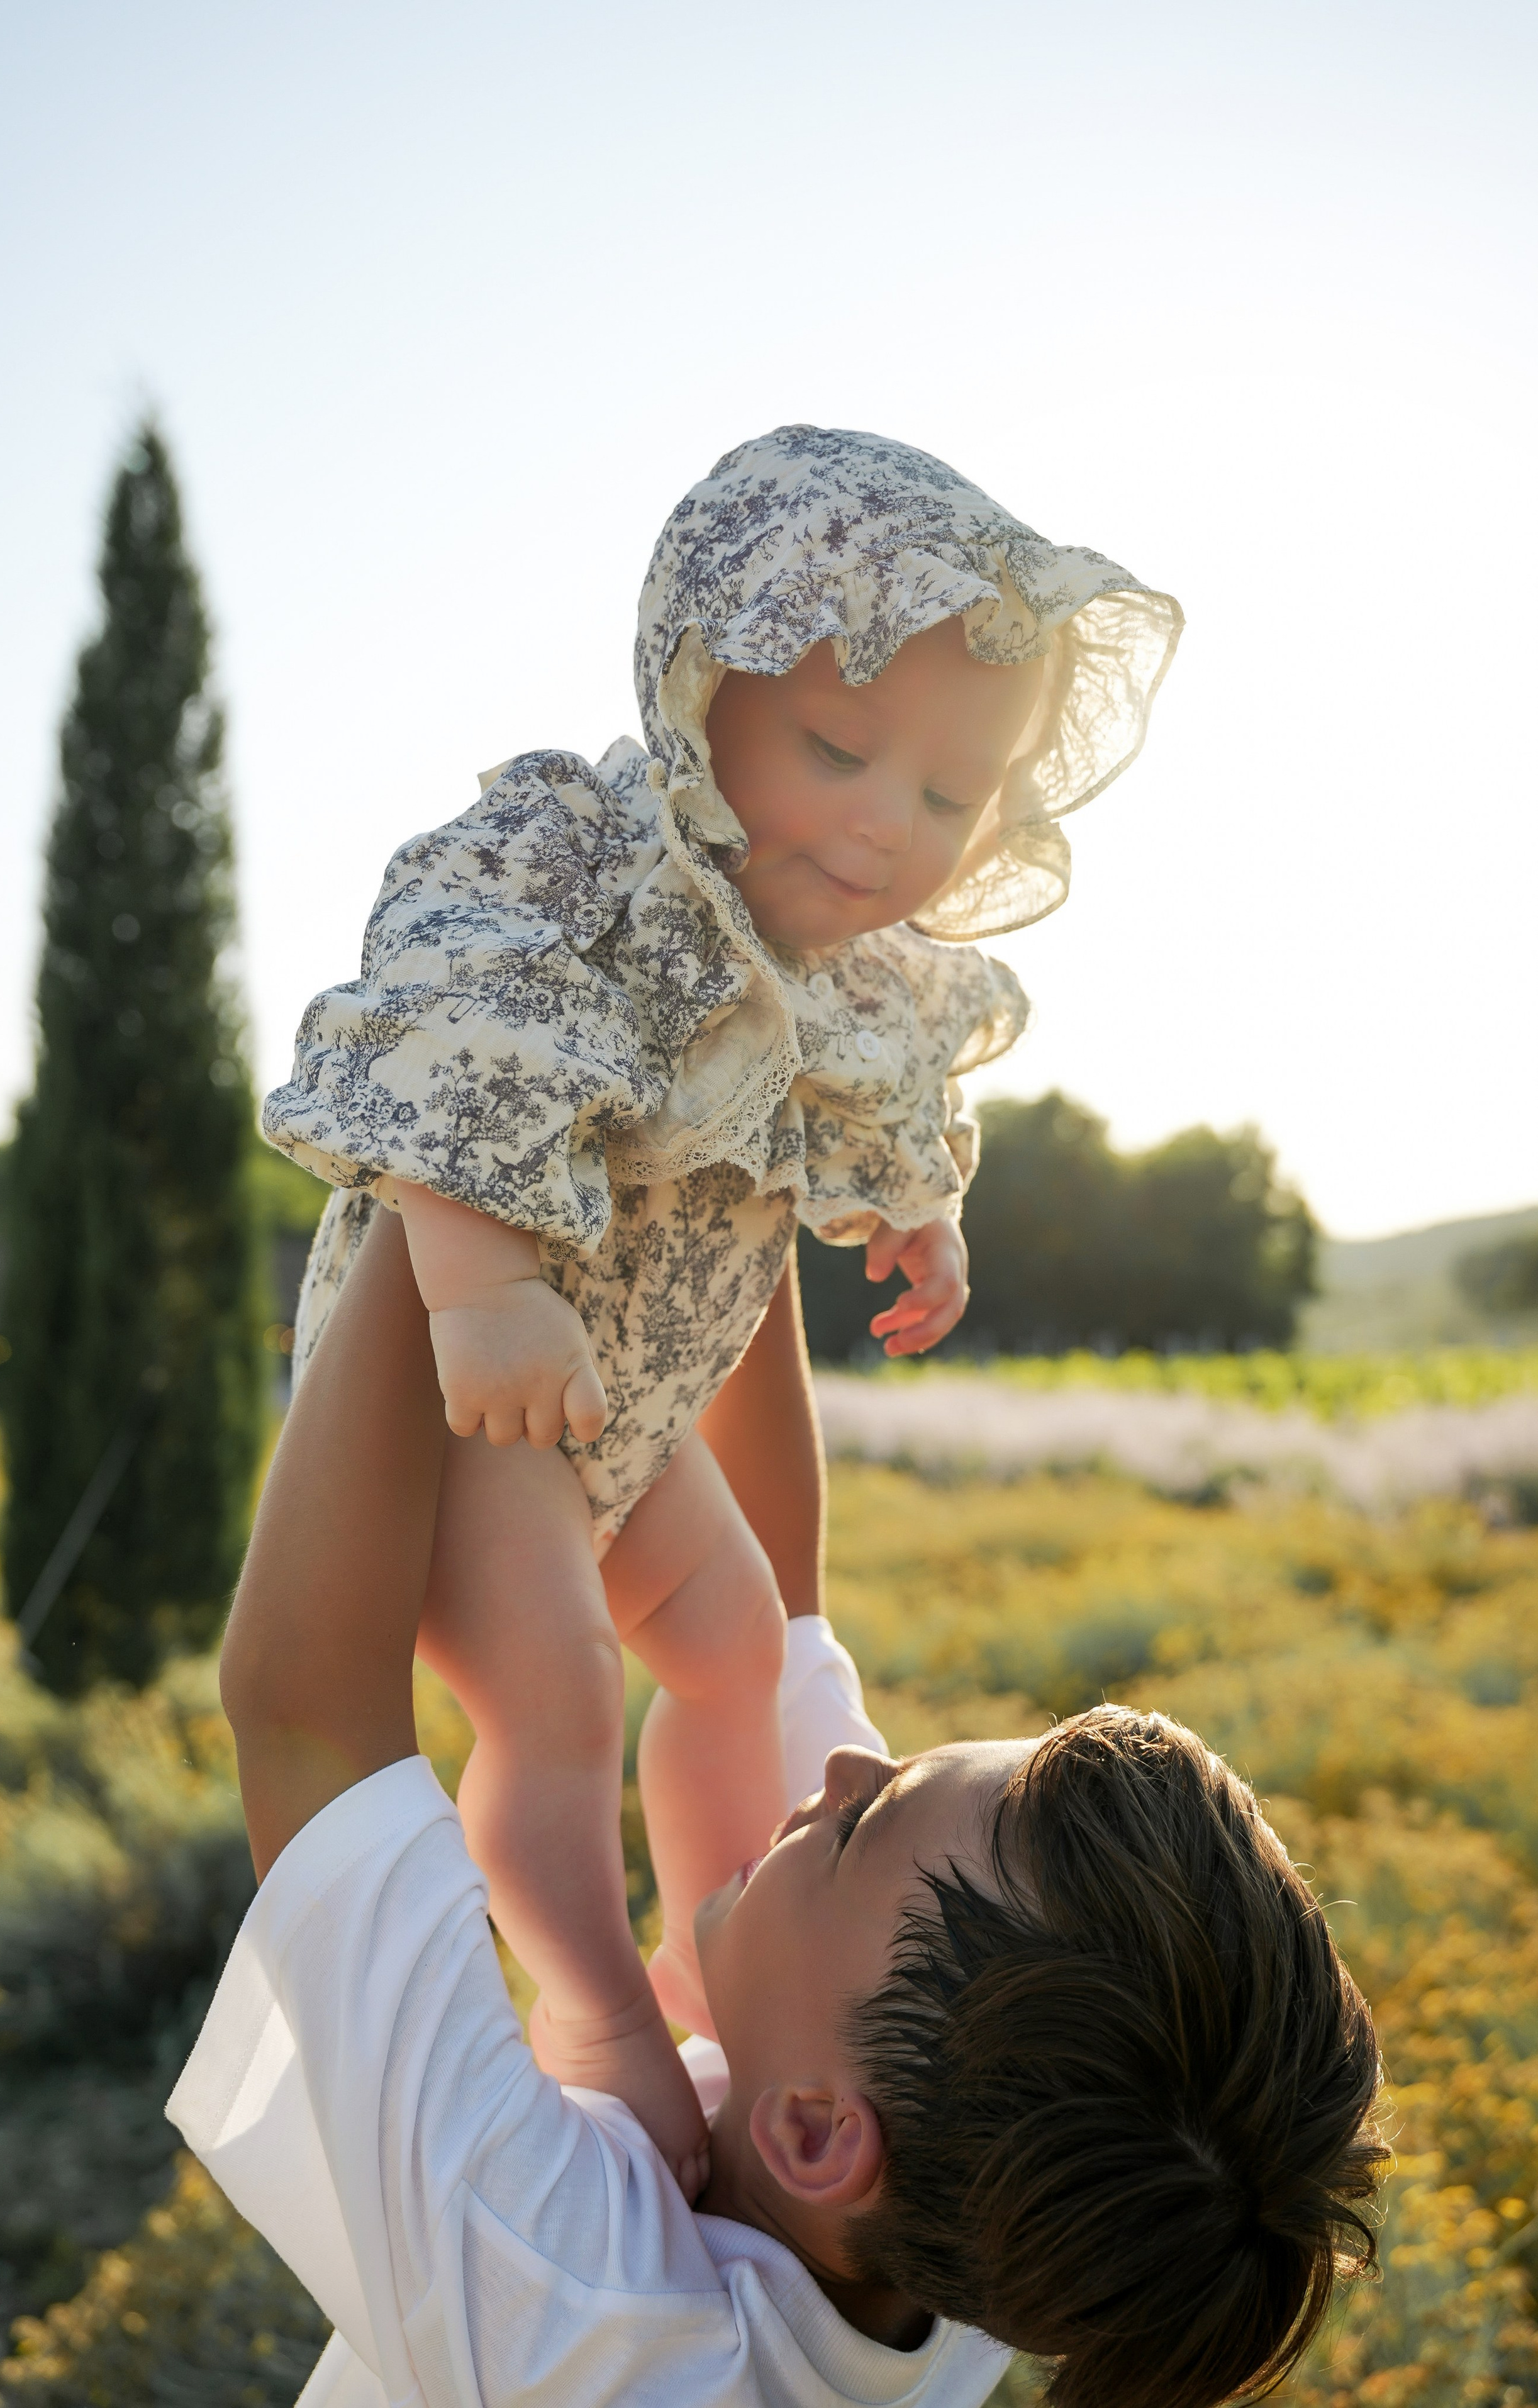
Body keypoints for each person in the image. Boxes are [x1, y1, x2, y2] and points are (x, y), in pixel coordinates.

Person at [260, 425, 1186, 2184]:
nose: (882, 826)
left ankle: (716, 1935)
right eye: (840, 749)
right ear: (702, 690)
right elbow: (443, 1048)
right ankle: (601, 1999)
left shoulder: (849, 973)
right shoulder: (592, 873)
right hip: (476, 1390)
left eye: (945, 796)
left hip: (630, 1400)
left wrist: (922, 1212)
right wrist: (475, 1286)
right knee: (555, 1699)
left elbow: (861, 1109)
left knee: (738, 1649)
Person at [174, 1204, 1387, 2408]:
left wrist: (452, 1175)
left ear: (816, 2136)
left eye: (860, 1820)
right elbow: (780, 1599)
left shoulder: (572, 2312)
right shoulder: (968, 2215)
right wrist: (744, 1147)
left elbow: (307, 1721)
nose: (847, 1775)